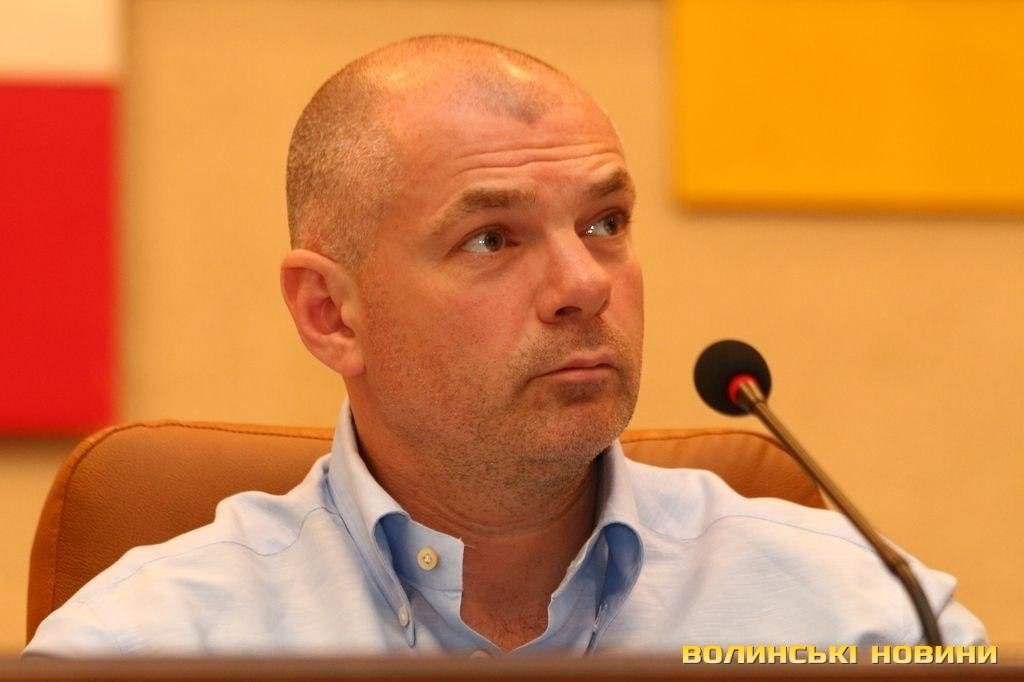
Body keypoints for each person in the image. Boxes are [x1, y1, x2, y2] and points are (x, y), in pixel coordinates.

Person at [25, 35, 985, 657]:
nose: (583, 284)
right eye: (492, 239)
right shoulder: (154, 646)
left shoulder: (864, 623)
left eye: (605, 223)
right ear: (330, 314)